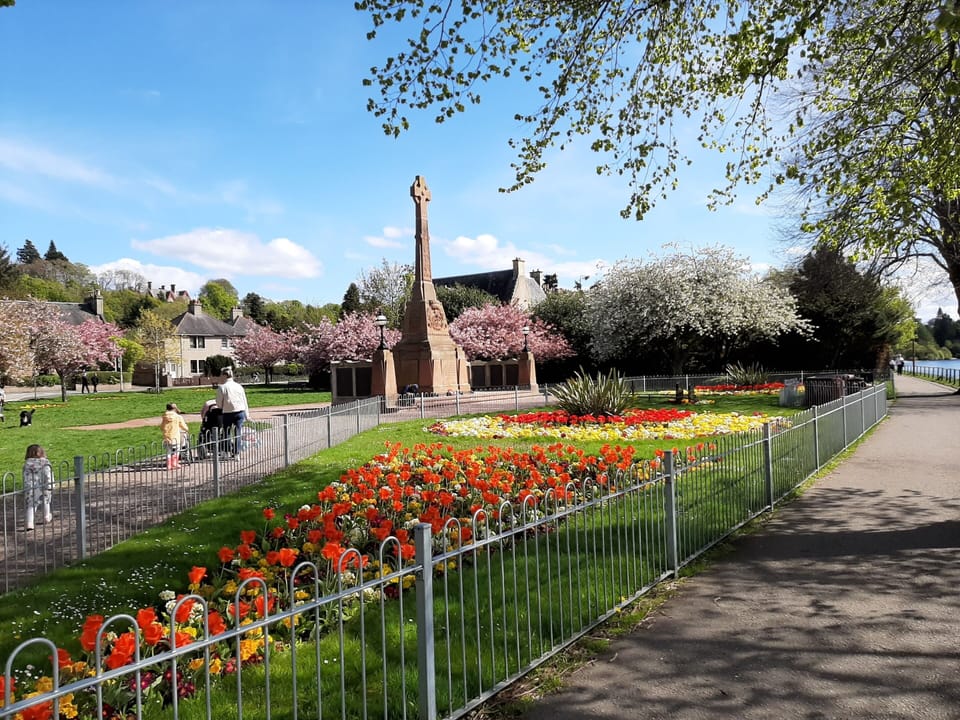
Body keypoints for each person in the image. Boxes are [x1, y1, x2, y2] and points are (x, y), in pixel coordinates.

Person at [216, 367, 248, 457]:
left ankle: (226, 451)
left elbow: (218, 403)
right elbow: (244, 400)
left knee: (226, 432)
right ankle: (237, 453)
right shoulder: (239, 386)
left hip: (228, 412)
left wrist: (222, 407)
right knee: (238, 432)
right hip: (240, 411)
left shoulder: (222, 387)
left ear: (224, 375)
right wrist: (247, 414)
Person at [23, 444, 54, 530]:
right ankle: (46, 517)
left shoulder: (27, 463)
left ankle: (30, 523)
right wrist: (50, 484)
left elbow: (25, 475)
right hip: (44, 485)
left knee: (31, 504)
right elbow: (48, 473)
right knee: (46, 501)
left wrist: (26, 485)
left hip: (31, 486)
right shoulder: (45, 462)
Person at [160, 402, 189, 470]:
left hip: (167, 437)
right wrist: (186, 429)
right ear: (174, 409)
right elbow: (183, 426)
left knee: (168, 451)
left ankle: (169, 465)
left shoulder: (164, 416)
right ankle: (175, 463)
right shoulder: (178, 417)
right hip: (175, 436)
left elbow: (161, 427)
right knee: (177, 450)